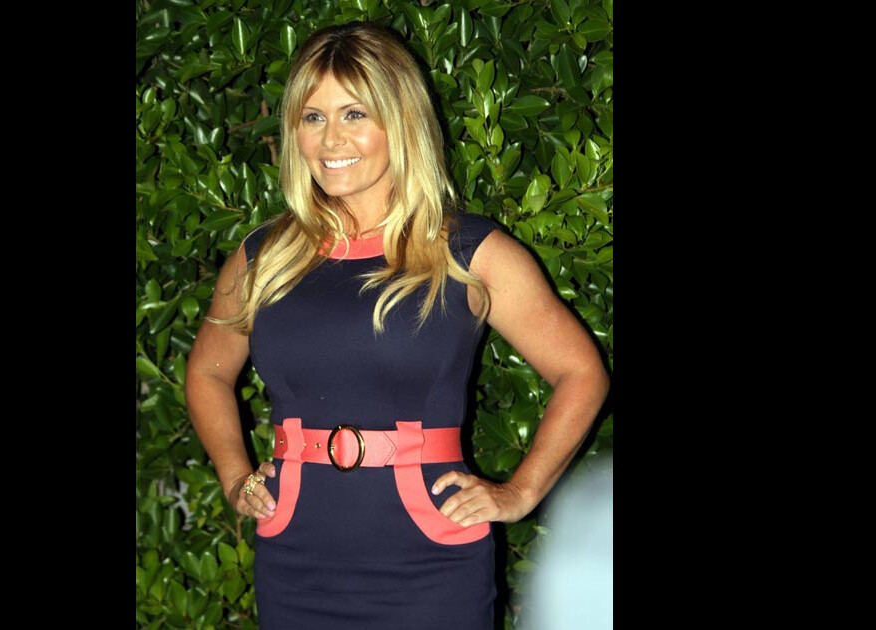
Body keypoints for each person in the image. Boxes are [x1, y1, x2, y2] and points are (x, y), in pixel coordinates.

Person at [186, 21, 609, 630]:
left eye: (355, 114)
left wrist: (519, 492)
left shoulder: (467, 251)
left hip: (432, 564)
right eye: (312, 117)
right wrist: (235, 479)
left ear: (401, 121)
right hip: (294, 560)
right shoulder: (265, 256)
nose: (331, 138)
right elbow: (206, 372)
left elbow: (580, 371)